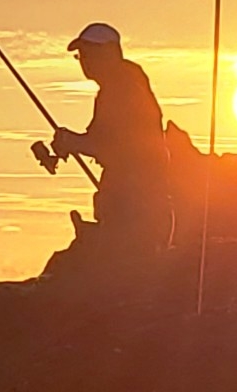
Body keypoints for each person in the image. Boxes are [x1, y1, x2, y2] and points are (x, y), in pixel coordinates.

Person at [47, 23, 173, 253]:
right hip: (137, 207)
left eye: (89, 54)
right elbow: (100, 140)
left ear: (109, 53)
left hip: (134, 212)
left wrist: (72, 142)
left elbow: (118, 147)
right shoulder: (123, 84)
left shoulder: (123, 89)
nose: (84, 61)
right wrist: (72, 142)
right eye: (81, 55)